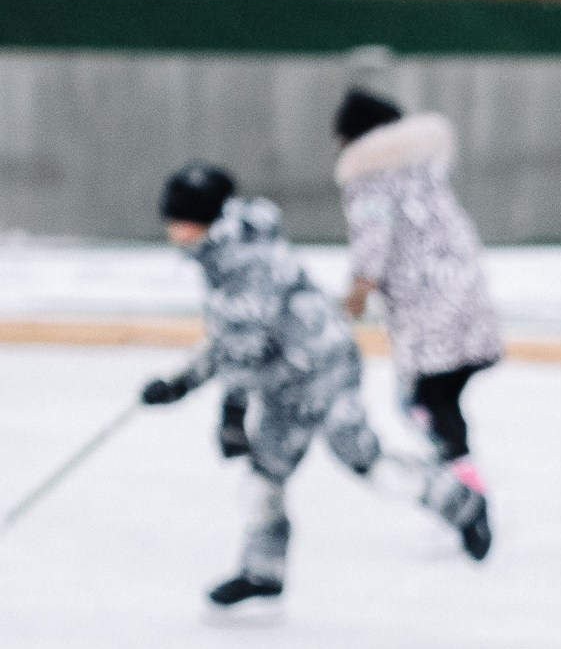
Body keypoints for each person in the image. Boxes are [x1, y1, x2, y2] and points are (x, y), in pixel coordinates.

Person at [142, 162, 492, 607]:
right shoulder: (225, 253)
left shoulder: (242, 262)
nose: (170, 230)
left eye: (176, 220)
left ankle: (464, 505)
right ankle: (262, 572)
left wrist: (230, 413)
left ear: (197, 222)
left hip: (323, 371)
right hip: (284, 382)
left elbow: (243, 344)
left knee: (363, 458)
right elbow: (231, 339)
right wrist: (179, 383)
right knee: (264, 476)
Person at [332, 89, 505, 502]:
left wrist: (356, 295)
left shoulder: (369, 177)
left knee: (421, 403)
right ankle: (462, 484)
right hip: (466, 295)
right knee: (440, 400)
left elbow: (373, 241)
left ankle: (465, 495)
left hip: (427, 307)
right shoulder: (423, 167)